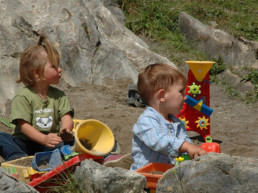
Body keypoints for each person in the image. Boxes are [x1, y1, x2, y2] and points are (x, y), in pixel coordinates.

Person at [0, 35, 74, 161]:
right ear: (37, 73)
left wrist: (65, 130)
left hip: (50, 143)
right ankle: (18, 159)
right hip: (24, 144)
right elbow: (23, 126)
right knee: (2, 138)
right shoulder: (23, 97)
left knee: (71, 141)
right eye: (54, 66)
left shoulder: (59, 95)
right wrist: (43, 139)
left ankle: (53, 158)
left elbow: (66, 116)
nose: (60, 70)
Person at [130, 63, 206, 170]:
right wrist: (185, 146)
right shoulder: (146, 120)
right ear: (162, 96)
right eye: (181, 92)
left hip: (168, 175)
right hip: (144, 177)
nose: (185, 98)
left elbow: (186, 143)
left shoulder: (176, 122)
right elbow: (157, 141)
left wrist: (196, 152)